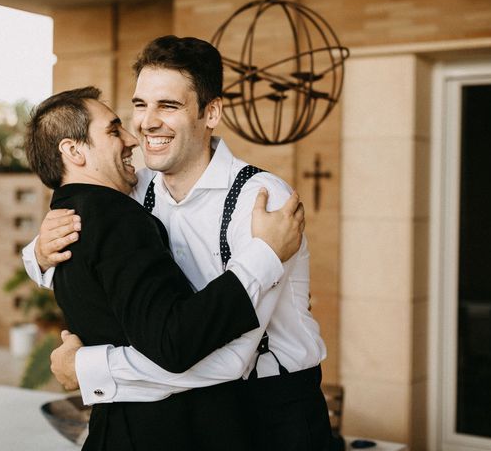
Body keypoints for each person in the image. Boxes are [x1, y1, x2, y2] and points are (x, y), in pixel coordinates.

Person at [24, 35, 332, 450]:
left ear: (211, 113)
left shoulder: (261, 200)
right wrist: (41, 253)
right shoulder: (133, 189)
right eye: (139, 105)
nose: (146, 123)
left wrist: (90, 369)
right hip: (196, 417)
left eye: (168, 106)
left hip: (274, 411)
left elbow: (228, 360)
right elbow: (92, 254)